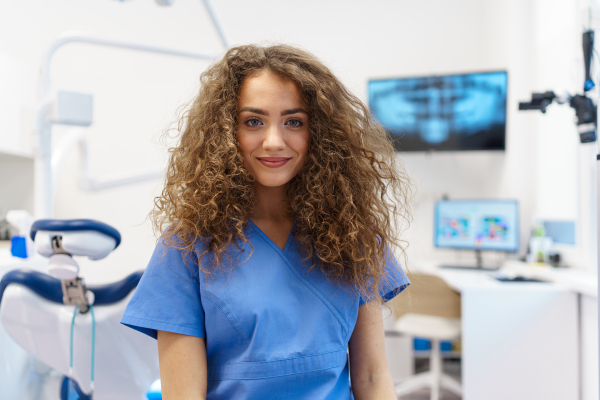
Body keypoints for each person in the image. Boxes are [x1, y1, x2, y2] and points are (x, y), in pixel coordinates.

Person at [121, 44, 412, 400]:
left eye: (293, 122)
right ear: (227, 133)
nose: (274, 141)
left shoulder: (354, 237)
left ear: (319, 134)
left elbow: (371, 377)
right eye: (254, 122)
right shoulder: (186, 247)